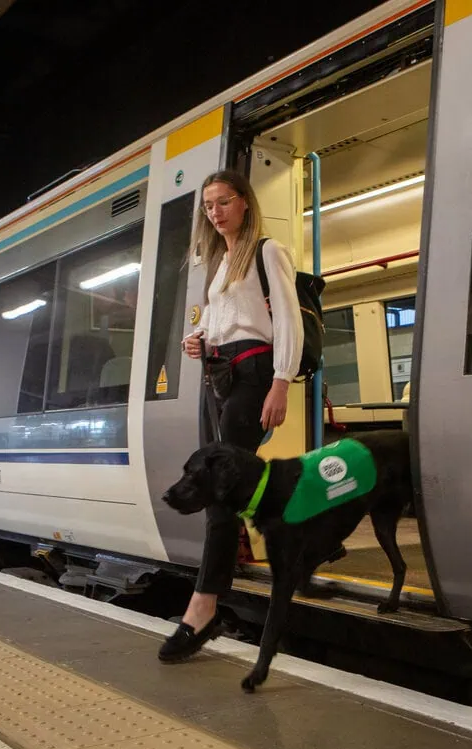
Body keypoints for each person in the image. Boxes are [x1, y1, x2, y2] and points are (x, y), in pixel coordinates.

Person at [158, 169, 303, 663]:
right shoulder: (218, 263)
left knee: (218, 488)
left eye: (223, 202)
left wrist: (281, 379)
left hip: (255, 373)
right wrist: (197, 341)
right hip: (219, 375)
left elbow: (286, 320)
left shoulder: (266, 251)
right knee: (219, 482)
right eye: (208, 206)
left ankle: (202, 608)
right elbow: (221, 323)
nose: (215, 213)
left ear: (244, 203)